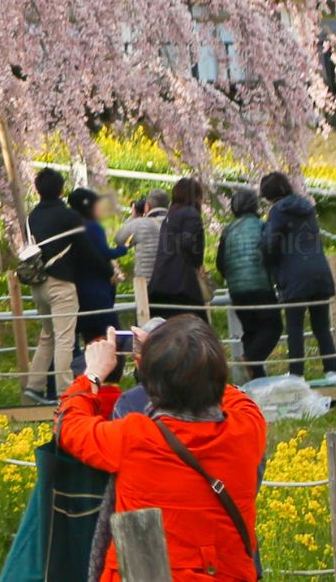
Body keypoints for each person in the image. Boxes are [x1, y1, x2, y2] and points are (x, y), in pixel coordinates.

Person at [58, 316, 268, 582]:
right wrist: (186, 360)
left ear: (151, 381)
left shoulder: (134, 437)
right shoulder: (248, 429)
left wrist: (93, 375)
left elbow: (69, 425)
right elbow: (236, 396)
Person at [260, 171, 336, 384]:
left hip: (294, 273)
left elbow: (270, 243)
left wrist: (267, 257)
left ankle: (297, 374)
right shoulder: (307, 208)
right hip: (319, 270)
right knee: (321, 326)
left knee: (295, 326)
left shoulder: (277, 211)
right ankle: (332, 372)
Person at [24, 166, 89, 399]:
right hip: (61, 283)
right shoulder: (68, 215)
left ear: (38, 189)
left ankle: (34, 385)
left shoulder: (31, 217)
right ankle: (65, 391)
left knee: (47, 335)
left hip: (38, 283)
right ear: (61, 189)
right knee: (64, 338)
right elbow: (84, 247)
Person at [217, 186, 281, 379]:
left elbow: (220, 262)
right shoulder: (262, 226)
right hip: (260, 285)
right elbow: (271, 253)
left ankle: (257, 381)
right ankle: (251, 358)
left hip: (236, 289)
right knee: (273, 326)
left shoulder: (227, 231)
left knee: (251, 331)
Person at [149, 177, 212, 324]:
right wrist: (198, 263)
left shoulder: (169, 217)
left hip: (161, 284)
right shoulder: (191, 214)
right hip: (182, 285)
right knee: (198, 331)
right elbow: (188, 243)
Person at [69, 188, 123, 351]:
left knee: (90, 340)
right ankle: (109, 373)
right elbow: (103, 253)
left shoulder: (70, 227)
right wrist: (123, 249)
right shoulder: (93, 227)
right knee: (111, 337)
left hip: (77, 291)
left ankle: (89, 374)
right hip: (96, 290)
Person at [116, 193, 165, 308]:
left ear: (147, 207)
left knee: (147, 324)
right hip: (171, 284)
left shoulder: (139, 224)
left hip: (146, 286)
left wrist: (134, 216)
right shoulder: (175, 221)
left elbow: (119, 239)